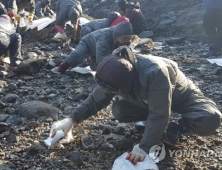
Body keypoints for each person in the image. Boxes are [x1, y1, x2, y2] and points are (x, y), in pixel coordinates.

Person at [49, 46, 221, 165]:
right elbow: (96, 99)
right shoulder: (115, 68)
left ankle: (176, 128)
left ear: (126, 85)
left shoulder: (155, 72)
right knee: (120, 110)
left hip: (181, 97)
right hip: (145, 97)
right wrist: (71, 120)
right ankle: (153, 128)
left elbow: (160, 113)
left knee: (210, 119)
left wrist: (144, 147)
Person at [51, 20, 133, 73]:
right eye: (121, 40)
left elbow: (128, 52)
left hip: (99, 50)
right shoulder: (104, 37)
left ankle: (91, 60)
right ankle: (63, 66)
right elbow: (101, 58)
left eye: (125, 41)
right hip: (87, 43)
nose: (123, 43)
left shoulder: (123, 40)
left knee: (95, 68)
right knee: (78, 54)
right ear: (116, 36)